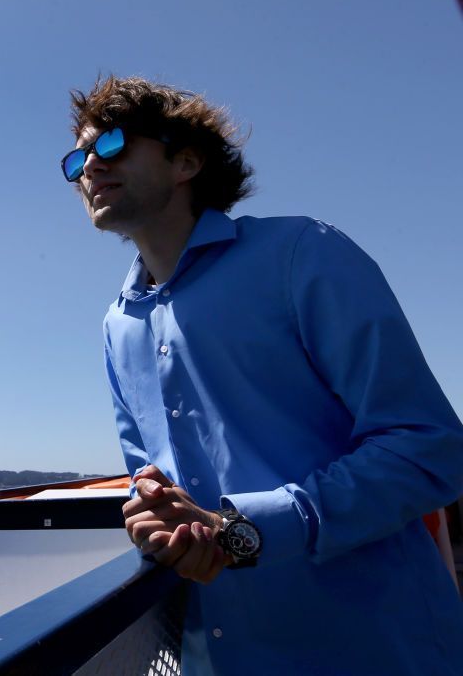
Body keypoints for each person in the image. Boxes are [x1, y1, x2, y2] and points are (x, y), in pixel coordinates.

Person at [63, 76, 463, 675]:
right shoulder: (117, 324)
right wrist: (153, 519)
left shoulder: (302, 253)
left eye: (113, 143)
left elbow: (426, 447)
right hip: (219, 656)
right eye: (77, 158)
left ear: (187, 161)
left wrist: (244, 530)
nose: (90, 164)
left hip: (374, 648)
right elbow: (145, 476)